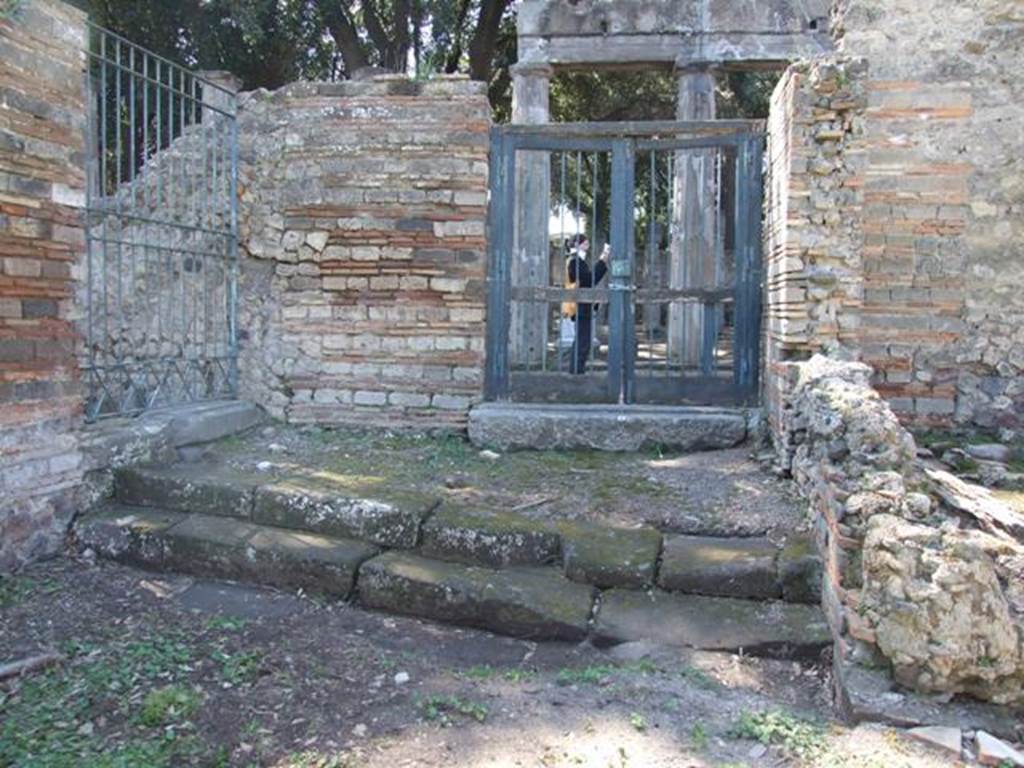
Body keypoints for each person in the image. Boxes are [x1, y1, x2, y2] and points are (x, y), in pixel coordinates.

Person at [562, 234, 608, 374]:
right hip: (579, 305)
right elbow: (589, 280)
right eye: (585, 244)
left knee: (583, 340)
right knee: (583, 341)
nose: (587, 247)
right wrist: (602, 260)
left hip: (582, 304)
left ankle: (577, 370)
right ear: (577, 245)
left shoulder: (577, 260)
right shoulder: (574, 261)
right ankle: (576, 371)